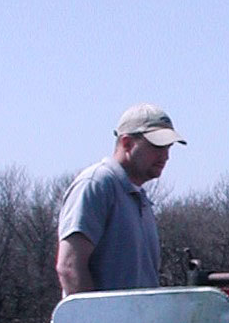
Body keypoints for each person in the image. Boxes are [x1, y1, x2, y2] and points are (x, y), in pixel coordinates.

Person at [55, 103, 185, 296]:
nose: (165, 156)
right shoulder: (97, 184)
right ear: (126, 143)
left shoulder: (140, 199)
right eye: (157, 146)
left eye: (168, 147)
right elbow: (69, 266)